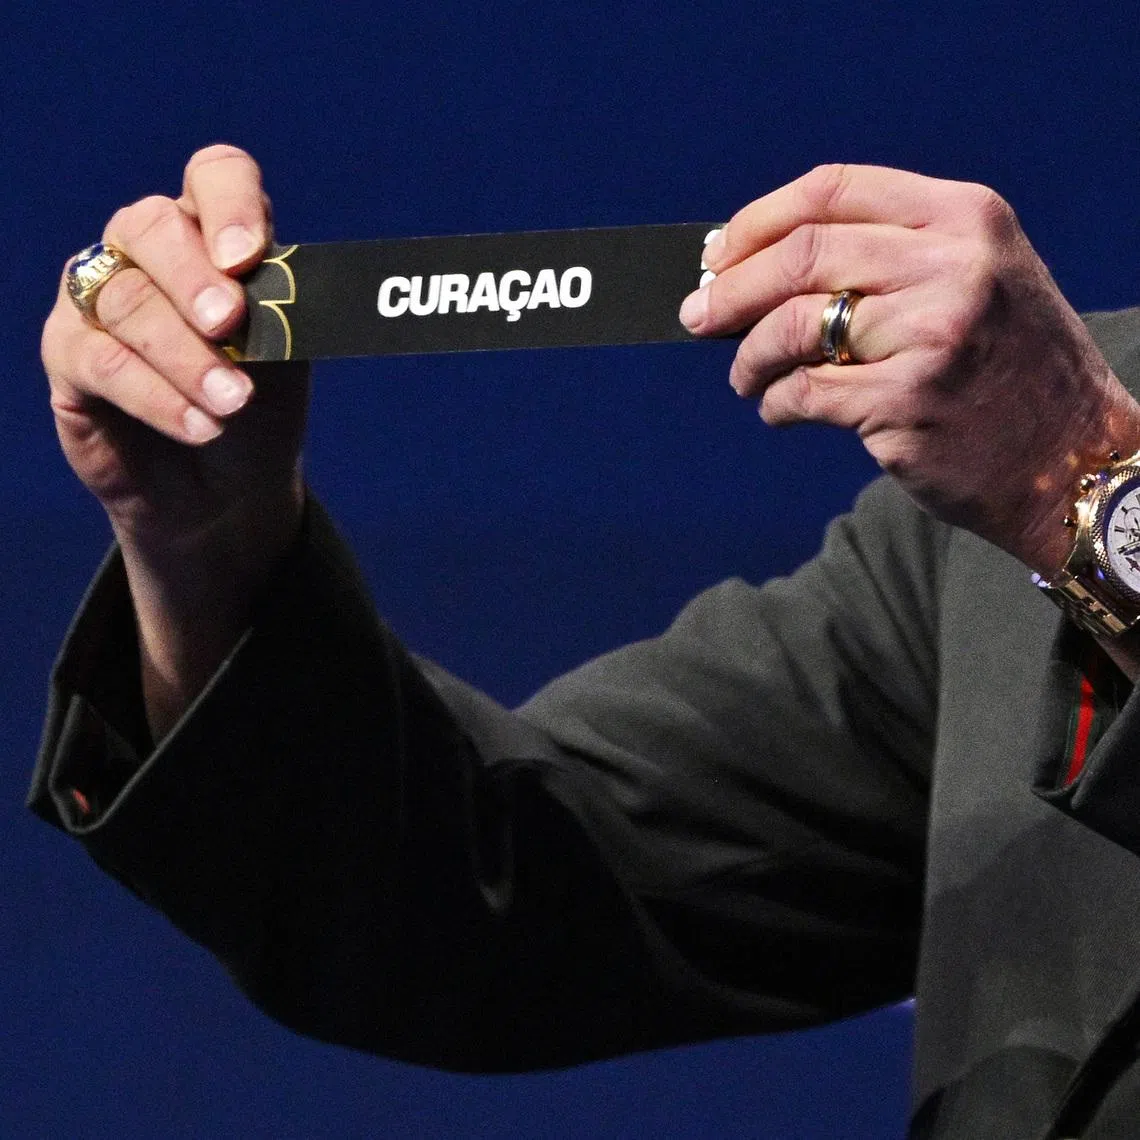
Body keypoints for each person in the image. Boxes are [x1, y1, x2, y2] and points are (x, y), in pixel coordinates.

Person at [29, 144, 1140, 1138]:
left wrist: (1089, 486)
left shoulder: (1063, 427)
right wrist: (210, 540)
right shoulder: (994, 511)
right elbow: (487, 896)